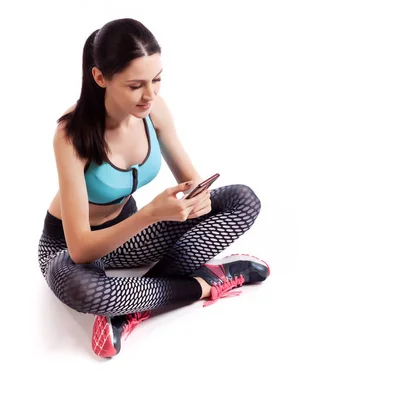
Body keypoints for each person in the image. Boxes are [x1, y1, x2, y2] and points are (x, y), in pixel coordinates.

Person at [37, 18, 270, 358]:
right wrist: (149, 214)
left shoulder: (154, 109)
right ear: (101, 78)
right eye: (135, 85)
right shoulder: (71, 135)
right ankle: (204, 284)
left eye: (157, 80)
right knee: (84, 290)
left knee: (243, 200)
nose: (150, 95)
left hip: (128, 237)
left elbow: (191, 180)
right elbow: (81, 249)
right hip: (69, 246)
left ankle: (127, 308)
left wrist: (197, 200)